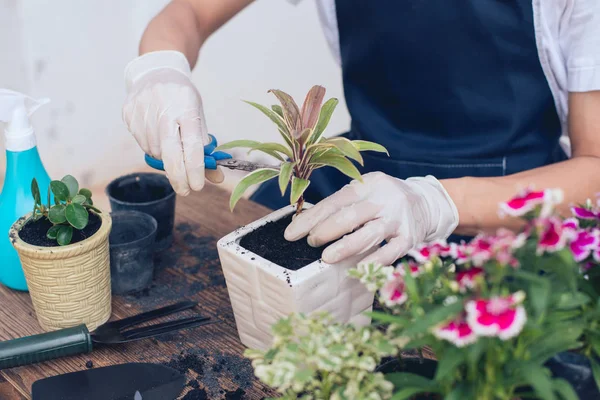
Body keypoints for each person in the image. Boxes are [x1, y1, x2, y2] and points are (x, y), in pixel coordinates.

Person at [123, 0, 600, 266]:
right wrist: (160, 73)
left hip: (513, 205)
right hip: (362, 175)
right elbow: (189, 12)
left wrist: (436, 203)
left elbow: (595, 172)